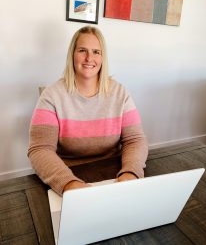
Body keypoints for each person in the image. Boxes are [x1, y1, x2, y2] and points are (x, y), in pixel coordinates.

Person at [28, 26, 149, 195]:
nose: (89, 58)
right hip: (68, 173)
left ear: (103, 57)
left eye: (96, 52)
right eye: (82, 50)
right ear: (72, 54)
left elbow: (135, 139)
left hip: (115, 173)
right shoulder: (51, 95)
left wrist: (131, 172)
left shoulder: (120, 93)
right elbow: (40, 149)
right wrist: (68, 183)